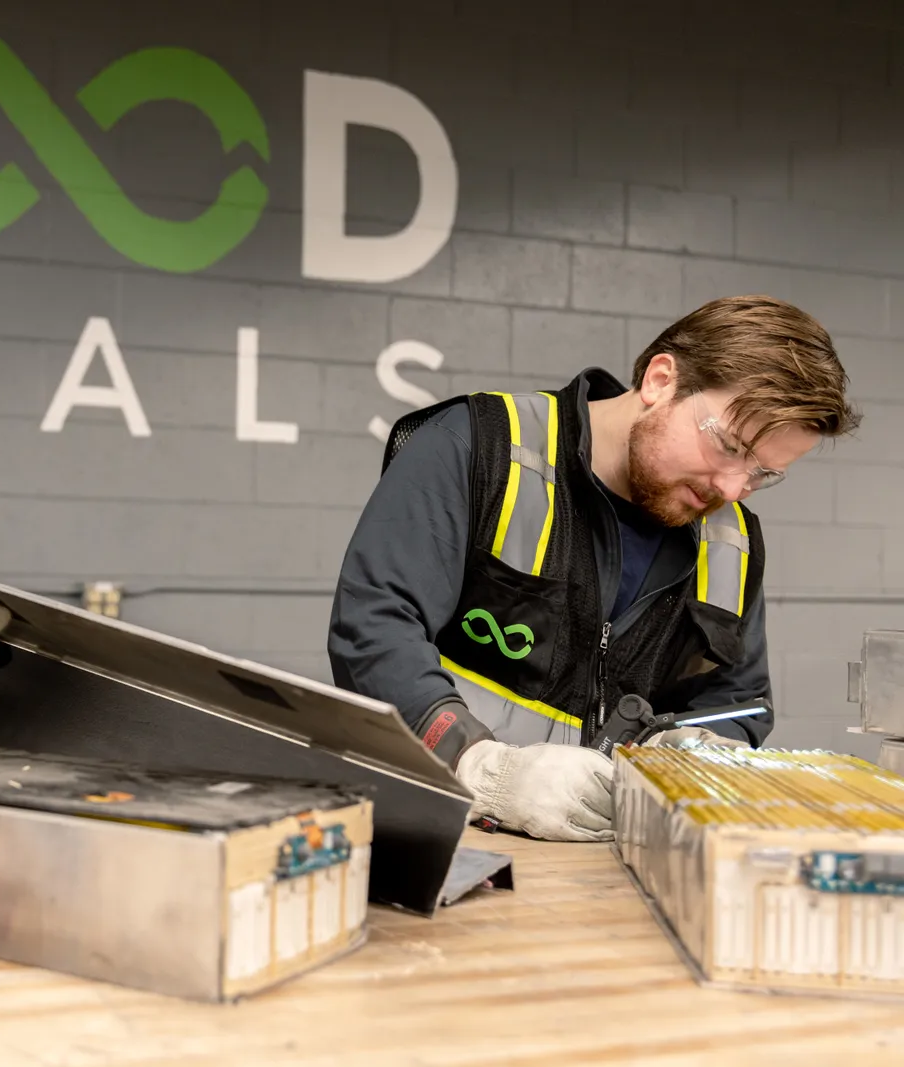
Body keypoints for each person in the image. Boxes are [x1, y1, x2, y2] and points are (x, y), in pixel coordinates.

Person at [328, 296, 858, 843]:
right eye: (728, 445)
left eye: (762, 474)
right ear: (660, 380)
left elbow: (738, 704)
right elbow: (376, 626)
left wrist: (696, 758)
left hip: (604, 865)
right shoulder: (479, 446)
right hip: (442, 829)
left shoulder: (734, 542)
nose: (730, 489)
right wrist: (479, 767)